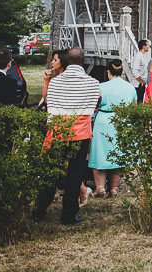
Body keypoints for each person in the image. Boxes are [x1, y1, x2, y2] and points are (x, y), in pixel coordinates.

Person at [34, 47, 100, 226]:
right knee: (75, 174)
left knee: (51, 171)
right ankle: (69, 213)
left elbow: (50, 104)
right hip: (81, 132)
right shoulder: (93, 83)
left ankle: (40, 208)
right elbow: (95, 104)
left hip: (58, 130)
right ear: (83, 60)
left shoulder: (55, 83)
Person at [88, 59, 137, 197]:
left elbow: (94, 104)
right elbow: (134, 107)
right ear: (122, 73)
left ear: (108, 72)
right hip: (123, 120)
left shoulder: (101, 87)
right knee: (118, 154)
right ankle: (114, 188)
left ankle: (100, 188)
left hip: (104, 120)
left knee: (100, 155)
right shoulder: (130, 87)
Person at [129, 39, 150, 104]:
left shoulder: (142, 56)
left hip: (142, 82)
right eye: (148, 45)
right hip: (137, 83)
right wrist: (141, 81)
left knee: (141, 101)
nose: (149, 47)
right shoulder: (138, 56)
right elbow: (134, 70)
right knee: (138, 101)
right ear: (144, 46)